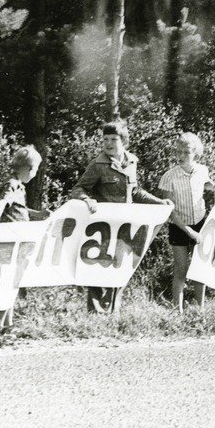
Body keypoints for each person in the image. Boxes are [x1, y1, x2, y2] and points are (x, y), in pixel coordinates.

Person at [71, 121, 174, 313]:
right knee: (99, 265)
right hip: (103, 227)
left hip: (125, 225)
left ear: (124, 141)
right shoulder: (98, 164)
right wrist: (86, 199)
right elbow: (78, 188)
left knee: (120, 265)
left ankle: (113, 310)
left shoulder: (131, 162)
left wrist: (159, 202)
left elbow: (135, 191)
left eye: (114, 139)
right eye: (105, 139)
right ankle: (95, 311)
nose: (108, 143)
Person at [158, 132, 215, 313]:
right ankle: (177, 311)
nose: (181, 156)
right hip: (179, 225)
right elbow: (169, 211)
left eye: (185, 152)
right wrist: (189, 231)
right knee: (181, 270)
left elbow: (208, 184)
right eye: (178, 152)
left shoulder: (202, 170)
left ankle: (199, 309)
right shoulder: (169, 176)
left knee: (200, 268)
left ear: (195, 153)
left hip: (200, 222)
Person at [0, 145, 50, 328]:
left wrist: (38, 214)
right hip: (8, 241)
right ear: (29, 169)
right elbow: (4, 201)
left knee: (13, 281)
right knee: (7, 281)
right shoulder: (11, 184)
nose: (34, 175)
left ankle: (7, 323)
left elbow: (19, 208)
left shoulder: (20, 188)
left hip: (18, 241)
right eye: (35, 170)